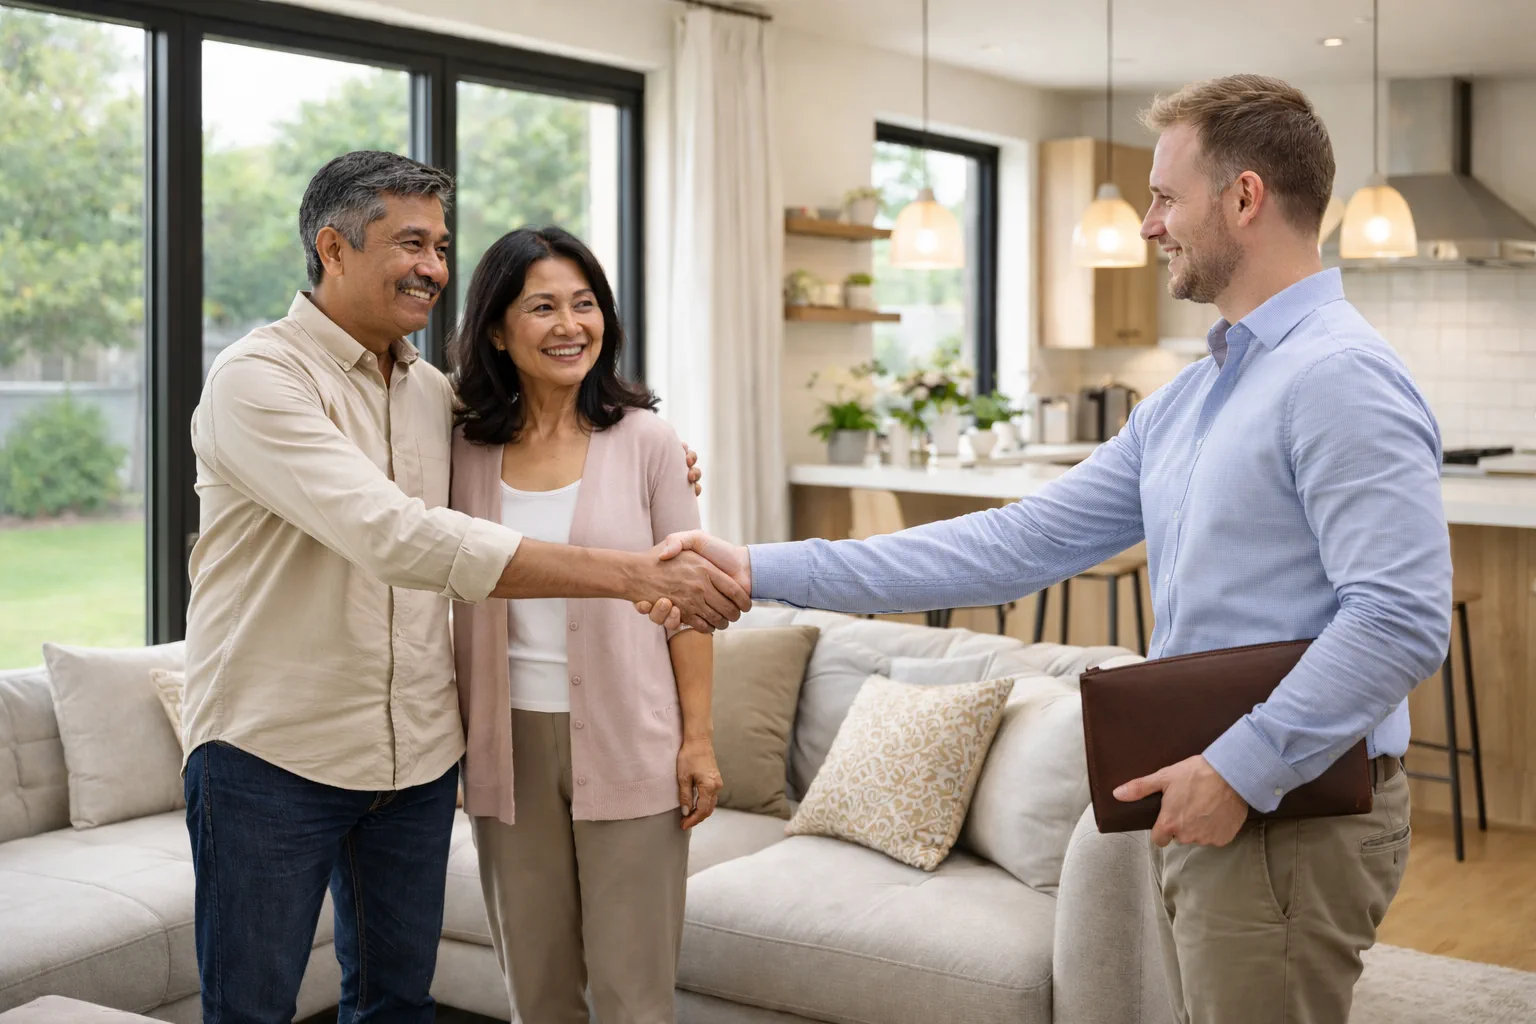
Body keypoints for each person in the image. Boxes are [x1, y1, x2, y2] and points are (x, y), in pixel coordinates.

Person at [645, 76, 1451, 1024]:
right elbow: (1015, 543)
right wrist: (758, 568)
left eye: (1164, 196)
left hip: (1286, 809)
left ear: (1244, 197)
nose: (1150, 225)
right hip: (1217, 795)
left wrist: (1239, 767)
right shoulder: (1198, 396)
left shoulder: (1337, 376)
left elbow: (1399, 621)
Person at [183, 150, 746, 1024]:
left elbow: (547, 441)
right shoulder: (261, 380)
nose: (433, 267)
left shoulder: (432, 398)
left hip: (412, 760)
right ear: (333, 249)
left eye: (442, 246)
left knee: (396, 1002)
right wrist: (630, 571)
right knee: (253, 1008)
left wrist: (651, 457)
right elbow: (397, 536)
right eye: (411, 243)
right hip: (273, 755)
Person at [448, 225, 719, 1024]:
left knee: (635, 996)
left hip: (634, 737)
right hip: (504, 747)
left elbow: (693, 605)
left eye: (585, 303)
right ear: (497, 328)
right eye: (542, 307)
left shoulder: (650, 442)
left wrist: (696, 737)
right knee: (536, 992)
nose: (571, 325)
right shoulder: (458, 445)